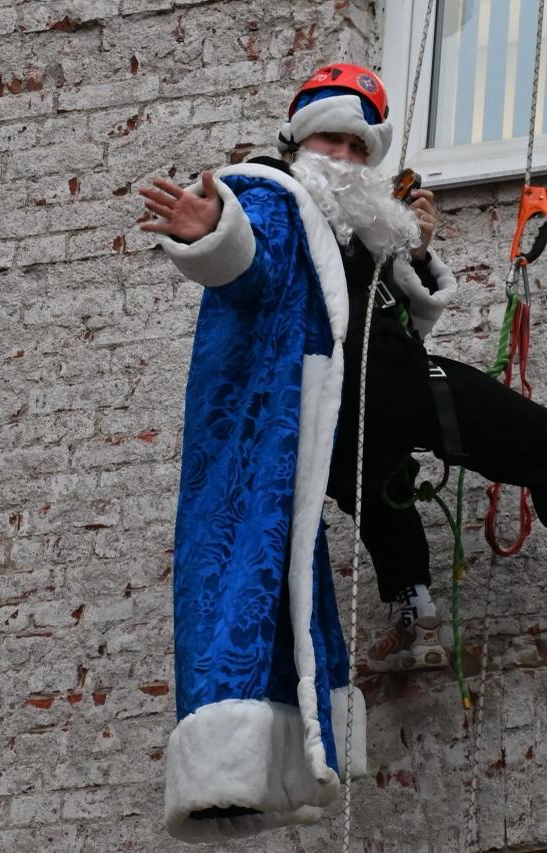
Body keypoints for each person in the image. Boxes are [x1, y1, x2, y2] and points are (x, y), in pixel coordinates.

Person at [143, 62, 547, 838]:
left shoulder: (365, 224)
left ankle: (410, 598)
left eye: (360, 147)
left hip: (379, 392)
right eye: (332, 140)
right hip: (335, 402)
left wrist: (415, 250)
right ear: (300, 140)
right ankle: (404, 599)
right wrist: (211, 234)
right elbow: (249, 266)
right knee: (417, 471)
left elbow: (402, 316)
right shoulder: (273, 192)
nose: (346, 158)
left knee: (413, 475)